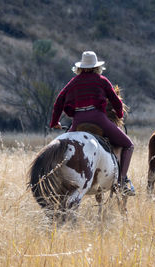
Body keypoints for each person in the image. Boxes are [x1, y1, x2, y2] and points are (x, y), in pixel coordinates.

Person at [49, 51, 135, 196]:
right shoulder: (101, 80)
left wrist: (55, 122)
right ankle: (121, 182)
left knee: (63, 146)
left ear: (80, 67)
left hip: (78, 121)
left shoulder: (74, 82)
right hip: (98, 118)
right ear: (97, 67)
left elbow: (59, 101)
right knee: (128, 145)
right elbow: (116, 101)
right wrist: (119, 115)